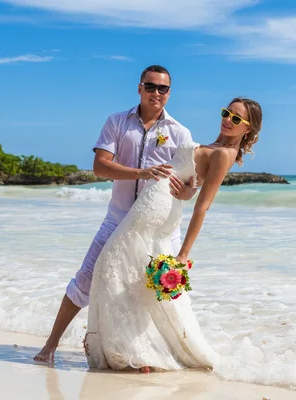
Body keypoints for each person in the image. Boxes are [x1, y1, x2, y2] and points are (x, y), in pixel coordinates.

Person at [84, 97, 262, 372]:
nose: (228, 120)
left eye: (236, 119)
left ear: (248, 129)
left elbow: (203, 206)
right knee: (122, 269)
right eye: (227, 113)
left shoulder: (224, 154)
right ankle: (133, 348)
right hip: (152, 202)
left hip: (157, 210)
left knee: (112, 263)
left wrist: (184, 253)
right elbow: (194, 180)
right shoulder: (213, 146)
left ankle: (137, 350)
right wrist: (190, 188)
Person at [34, 65, 198, 363]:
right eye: (150, 86)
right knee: (85, 279)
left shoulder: (180, 133)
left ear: (170, 93)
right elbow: (100, 166)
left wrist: (186, 192)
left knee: (161, 292)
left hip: (159, 230)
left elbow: (189, 187)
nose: (156, 93)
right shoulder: (117, 122)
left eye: (163, 89)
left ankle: (156, 356)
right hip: (117, 220)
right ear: (139, 88)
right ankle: (50, 346)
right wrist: (143, 172)